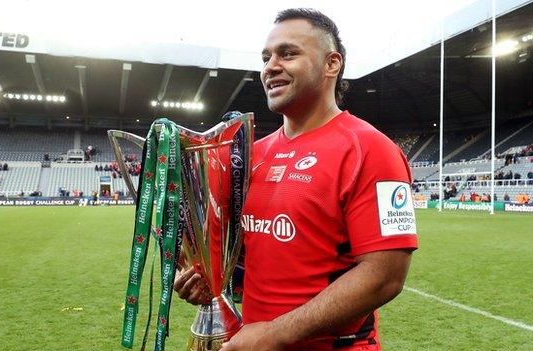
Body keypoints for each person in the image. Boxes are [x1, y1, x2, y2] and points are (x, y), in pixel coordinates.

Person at [174, 8, 417, 351]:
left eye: (288, 53)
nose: (270, 66)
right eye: (266, 57)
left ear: (332, 64)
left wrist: (274, 334)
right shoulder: (249, 155)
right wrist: (202, 281)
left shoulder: (372, 150)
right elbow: (239, 257)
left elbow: (385, 276)